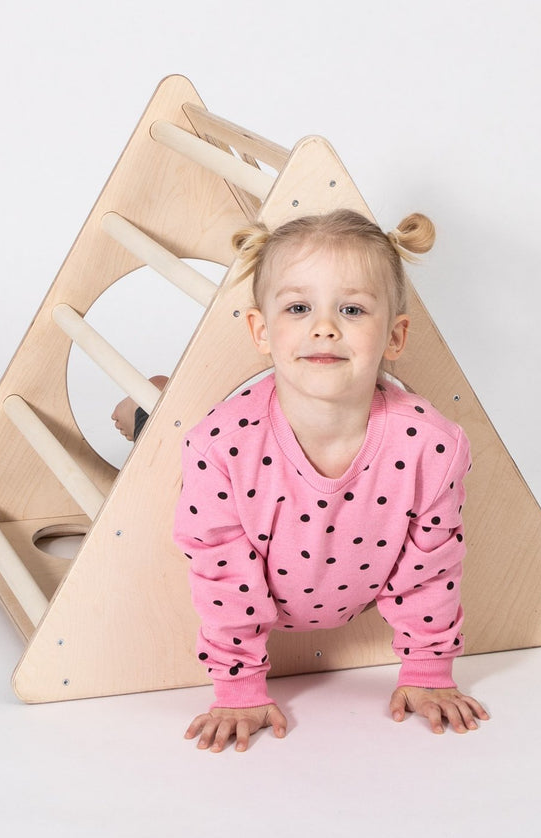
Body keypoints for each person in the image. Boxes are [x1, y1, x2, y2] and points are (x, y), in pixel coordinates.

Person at [172, 209, 489, 753]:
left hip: (348, 592)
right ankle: (143, 404)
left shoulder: (431, 446)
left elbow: (431, 568)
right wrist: (238, 686)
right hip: (235, 490)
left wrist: (427, 670)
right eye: (299, 308)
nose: (325, 327)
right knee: (148, 420)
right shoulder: (218, 447)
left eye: (352, 309)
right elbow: (222, 573)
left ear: (394, 335)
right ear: (261, 331)